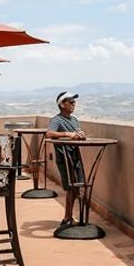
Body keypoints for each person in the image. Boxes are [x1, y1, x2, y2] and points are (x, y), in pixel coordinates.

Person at [46, 91, 86, 228]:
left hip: (76, 157)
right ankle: (67, 217)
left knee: (77, 187)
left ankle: (69, 217)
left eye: (74, 102)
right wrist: (67, 134)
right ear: (62, 104)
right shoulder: (56, 120)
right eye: (71, 102)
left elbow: (76, 135)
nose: (74, 104)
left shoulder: (75, 120)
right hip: (64, 157)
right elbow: (49, 133)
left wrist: (80, 135)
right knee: (70, 188)